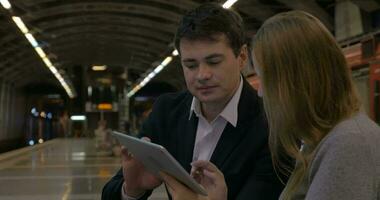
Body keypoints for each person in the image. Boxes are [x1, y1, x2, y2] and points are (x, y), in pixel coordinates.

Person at [161, 10, 380, 200]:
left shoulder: (348, 144)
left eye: (266, 80)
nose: (260, 91)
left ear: (299, 80)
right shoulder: (325, 141)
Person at [101, 3, 285, 200]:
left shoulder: (272, 124)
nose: (202, 75)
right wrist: (131, 190)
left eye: (214, 62)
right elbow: (111, 192)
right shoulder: (168, 112)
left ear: (241, 57)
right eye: (190, 65)